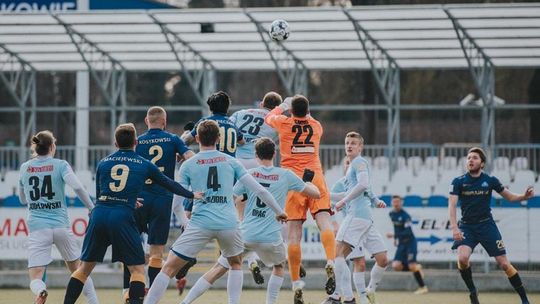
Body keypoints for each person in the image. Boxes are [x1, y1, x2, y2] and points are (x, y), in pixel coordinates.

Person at [144, 120, 286, 304]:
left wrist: (184, 222)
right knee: (235, 263)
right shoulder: (231, 161)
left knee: (169, 268)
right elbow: (260, 190)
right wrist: (278, 211)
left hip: (200, 222)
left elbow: (177, 202)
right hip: (228, 223)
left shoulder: (188, 165)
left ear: (196, 138)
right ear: (218, 138)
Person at [63, 123, 201, 304]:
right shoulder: (143, 163)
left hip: (100, 214)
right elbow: (168, 183)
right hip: (122, 217)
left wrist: (126, 199)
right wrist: (191, 194)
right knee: (137, 270)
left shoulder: (103, 163)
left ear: (115, 143)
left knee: (83, 269)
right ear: (136, 142)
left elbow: (101, 193)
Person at [180, 137, 320, 304]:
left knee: (219, 268)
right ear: (274, 153)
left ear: (256, 155)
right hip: (271, 237)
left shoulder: (250, 174)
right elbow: (315, 194)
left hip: (246, 235)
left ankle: (185, 302)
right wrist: (309, 183)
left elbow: (231, 197)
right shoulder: (286, 175)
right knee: (279, 266)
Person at [265, 94, 336, 303]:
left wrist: (282, 106)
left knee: (294, 234)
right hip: (315, 176)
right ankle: (330, 260)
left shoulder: (284, 122)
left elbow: (268, 117)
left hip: (293, 180)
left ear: (292, 110)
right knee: (324, 221)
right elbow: (307, 115)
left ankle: (296, 283)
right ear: (308, 110)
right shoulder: (316, 125)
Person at [18, 130, 99, 304]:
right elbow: (77, 187)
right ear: (52, 146)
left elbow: (22, 199)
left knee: (36, 276)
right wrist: (92, 208)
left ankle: (41, 290)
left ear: (35, 147)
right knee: (79, 271)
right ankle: (94, 302)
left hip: (38, 227)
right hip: (61, 225)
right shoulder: (60, 164)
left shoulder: (25, 167)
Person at [121, 106, 194, 296]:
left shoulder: (138, 141)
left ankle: (128, 293)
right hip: (162, 199)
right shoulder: (173, 139)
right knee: (156, 253)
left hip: (139, 198)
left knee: (132, 248)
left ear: (146, 121)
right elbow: (190, 158)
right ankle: (153, 297)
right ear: (165, 121)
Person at [449, 147, 533, 304]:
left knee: (504, 264)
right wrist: (455, 227)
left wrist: (523, 196)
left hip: (487, 226)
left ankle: (524, 299)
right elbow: (452, 205)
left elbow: (509, 196)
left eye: (474, 158)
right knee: (462, 258)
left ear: (482, 163)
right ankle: (473, 291)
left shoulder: (490, 180)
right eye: (468, 158)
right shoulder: (458, 181)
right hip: (467, 227)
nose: (470, 160)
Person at [326, 132, 388, 304]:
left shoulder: (359, 162)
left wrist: (343, 201)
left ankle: (339, 296)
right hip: (366, 219)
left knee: (338, 254)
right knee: (381, 259)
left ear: (361, 147)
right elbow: (364, 190)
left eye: (353, 143)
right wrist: (376, 201)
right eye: (347, 142)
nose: (349, 145)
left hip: (356, 217)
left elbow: (363, 185)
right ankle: (365, 294)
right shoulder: (350, 173)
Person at [386, 195, 428, 294]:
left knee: (412, 266)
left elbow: (408, 232)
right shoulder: (391, 214)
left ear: (401, 203)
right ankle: (416, 267)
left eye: (398, 202)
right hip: (401, 243)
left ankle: (423, 287)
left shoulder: (406, 216)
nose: (396, 204)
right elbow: (396, 227)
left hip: (410, 243)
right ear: (392, 203)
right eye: (394, 202)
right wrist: (396, 239)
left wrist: (393, 235)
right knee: (396, 266)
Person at [181, 91, 244, 157]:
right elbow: (242, 142)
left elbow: (186, 141)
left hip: (209, 163)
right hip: (229, 164)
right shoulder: (233, 124)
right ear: (227, 107)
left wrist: (187, 132)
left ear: (210, 107)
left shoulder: (205, 122)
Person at [230, 91, 281, 169]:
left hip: (236, 158)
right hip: (258, 161)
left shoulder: (240, 113)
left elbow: (229, 125)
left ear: (261, 104)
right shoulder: (277, 121)